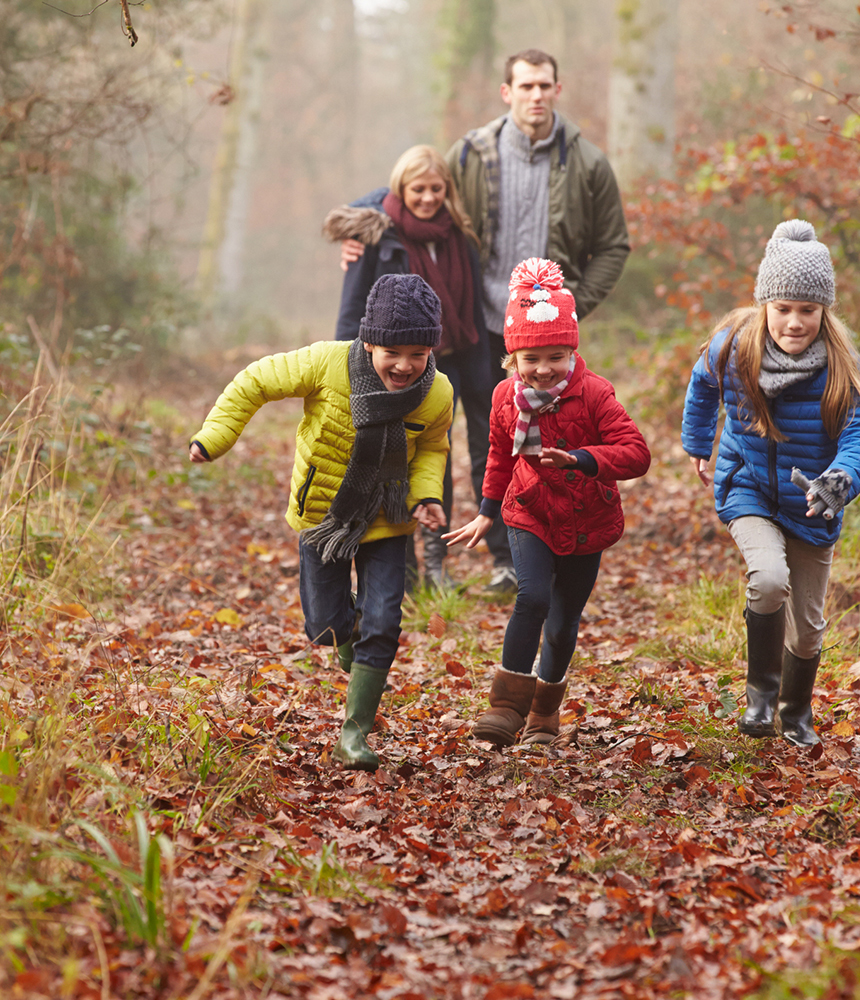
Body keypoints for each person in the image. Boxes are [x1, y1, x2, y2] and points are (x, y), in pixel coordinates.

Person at [342, 48, 631, 598]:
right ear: (508, 92)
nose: (536, 95)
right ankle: (438, 554)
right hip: (473, 325)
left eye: (545, 85)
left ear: (557, 89)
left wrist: (571, 307)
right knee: (444, 436)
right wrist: (358, 225)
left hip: (542, 336)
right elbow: (411, 187)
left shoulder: (587, 162)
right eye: (525, 86)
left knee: (521, 441)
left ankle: (516, 558)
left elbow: (614, 244)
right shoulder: (472, 153)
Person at [188, 274, 454, 771]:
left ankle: (353, 735)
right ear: (369, 341)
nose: (405, 365)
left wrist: (425, 497)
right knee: (326, 627)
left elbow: (431, 451)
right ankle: (354, 651)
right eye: (393, 351)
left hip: (388, 520)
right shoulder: (326, 363)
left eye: (418, 353)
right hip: (323, 517)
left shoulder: (436, 393)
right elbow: (255, 382)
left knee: (384, 622)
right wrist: (215, 437)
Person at [680, 220, 860, 748]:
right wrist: (699, 444)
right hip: (746, 485)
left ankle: (795, 711)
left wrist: (840, 480)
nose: (794, 322)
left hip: (813, 502)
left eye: (808, 311)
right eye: (783, 309)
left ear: (824, 311)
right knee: (769, 580)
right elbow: (701, 385)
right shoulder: (733, 349)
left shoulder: (841, 365)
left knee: (810, 626)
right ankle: (760, 699)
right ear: (764, 303)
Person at [444, 259, 651, 747]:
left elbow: (636, 454)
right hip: (528, 510)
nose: (542, 369)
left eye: (556, 357)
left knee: (562, 624)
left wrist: (582, 458)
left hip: (586, 520)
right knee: (532, 596)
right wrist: (486, 512)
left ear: (572, 352)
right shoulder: (503, 398)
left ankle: (543, 713)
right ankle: (506, 706)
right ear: (512, 359)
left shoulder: (596, 394)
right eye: (530, 359)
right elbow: (498, 455)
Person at [323, 145, 494, 593]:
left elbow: (470, 307)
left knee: (438, 459)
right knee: (395, 460)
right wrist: (349, 370)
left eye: (436, 189)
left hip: (449, 363)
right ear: (401, 188)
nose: (427, 198)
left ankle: (437, 562)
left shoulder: (458, 235)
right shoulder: (377, 235)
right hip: (390, 367)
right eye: (418, 189)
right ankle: (403, 570)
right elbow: (351, 310)